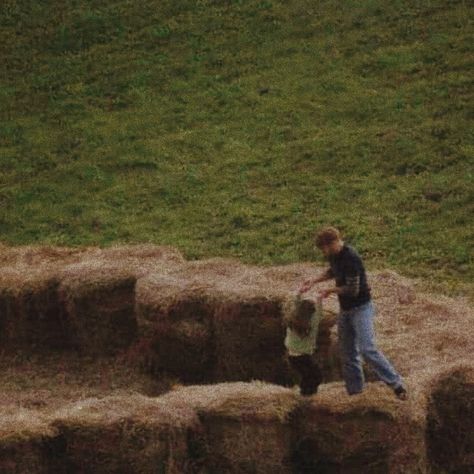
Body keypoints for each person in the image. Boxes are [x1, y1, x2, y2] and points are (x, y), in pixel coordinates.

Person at [299, 226, 407, 400]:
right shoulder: (335, 256)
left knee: (367, 348)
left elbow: (353, 290)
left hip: (361, 309)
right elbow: (333, 271)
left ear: (333, 242)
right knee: (347, 352)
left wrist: (330, 290)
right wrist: (314, 281)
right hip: (346, 310)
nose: (323, 252)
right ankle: (355, 393)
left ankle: (396, 384)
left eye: (324, 248)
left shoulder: (351, 258)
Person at [284, 294, 323, 396]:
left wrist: (299, 294)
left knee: (308, 376)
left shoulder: (292, 322)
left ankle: (306, 394)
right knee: (316, 377)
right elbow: (319, 314)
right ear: (311, 313)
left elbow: (294, 306)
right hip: (304, 357)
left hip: (291, 356)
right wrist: (320, 299)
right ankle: (306, 396)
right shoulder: (311, 324)